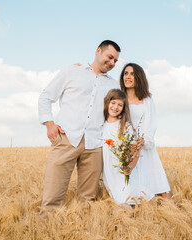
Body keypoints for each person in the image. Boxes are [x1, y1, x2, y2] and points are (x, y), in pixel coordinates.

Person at [38, 40, 121, 211]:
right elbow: (46, 97)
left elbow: (120, 111)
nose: (112, 63)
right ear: (98, 51)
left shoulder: (113, 85)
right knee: (53, 197)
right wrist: (49, 124)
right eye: (110, 57)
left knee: (87, 201)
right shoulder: (71, 72)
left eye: (116, 61)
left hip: (95, 144)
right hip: (66, 138)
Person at [120, 63, 171, 198]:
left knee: (159, 188)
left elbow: (152, 121)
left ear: (139, 77)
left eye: (132, 74)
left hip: (144, 146)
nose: (128, 77)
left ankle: (171, 214)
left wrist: (144, 140)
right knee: (131, 187)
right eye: (126, 73)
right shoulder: (119, 98)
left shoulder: (147, 99)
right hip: (127, 147)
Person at [102, 89, 154, 205]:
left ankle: (135, 216)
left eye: (120, 105)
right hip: (108, 169)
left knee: (126, 195)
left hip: (122, 169)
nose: (115, 107)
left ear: (124, 108)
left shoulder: (124, 126)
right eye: (113, 103)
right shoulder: (102, 124)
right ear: (107, 103)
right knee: (115, 196)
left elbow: (135, 150)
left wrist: (130, 166)